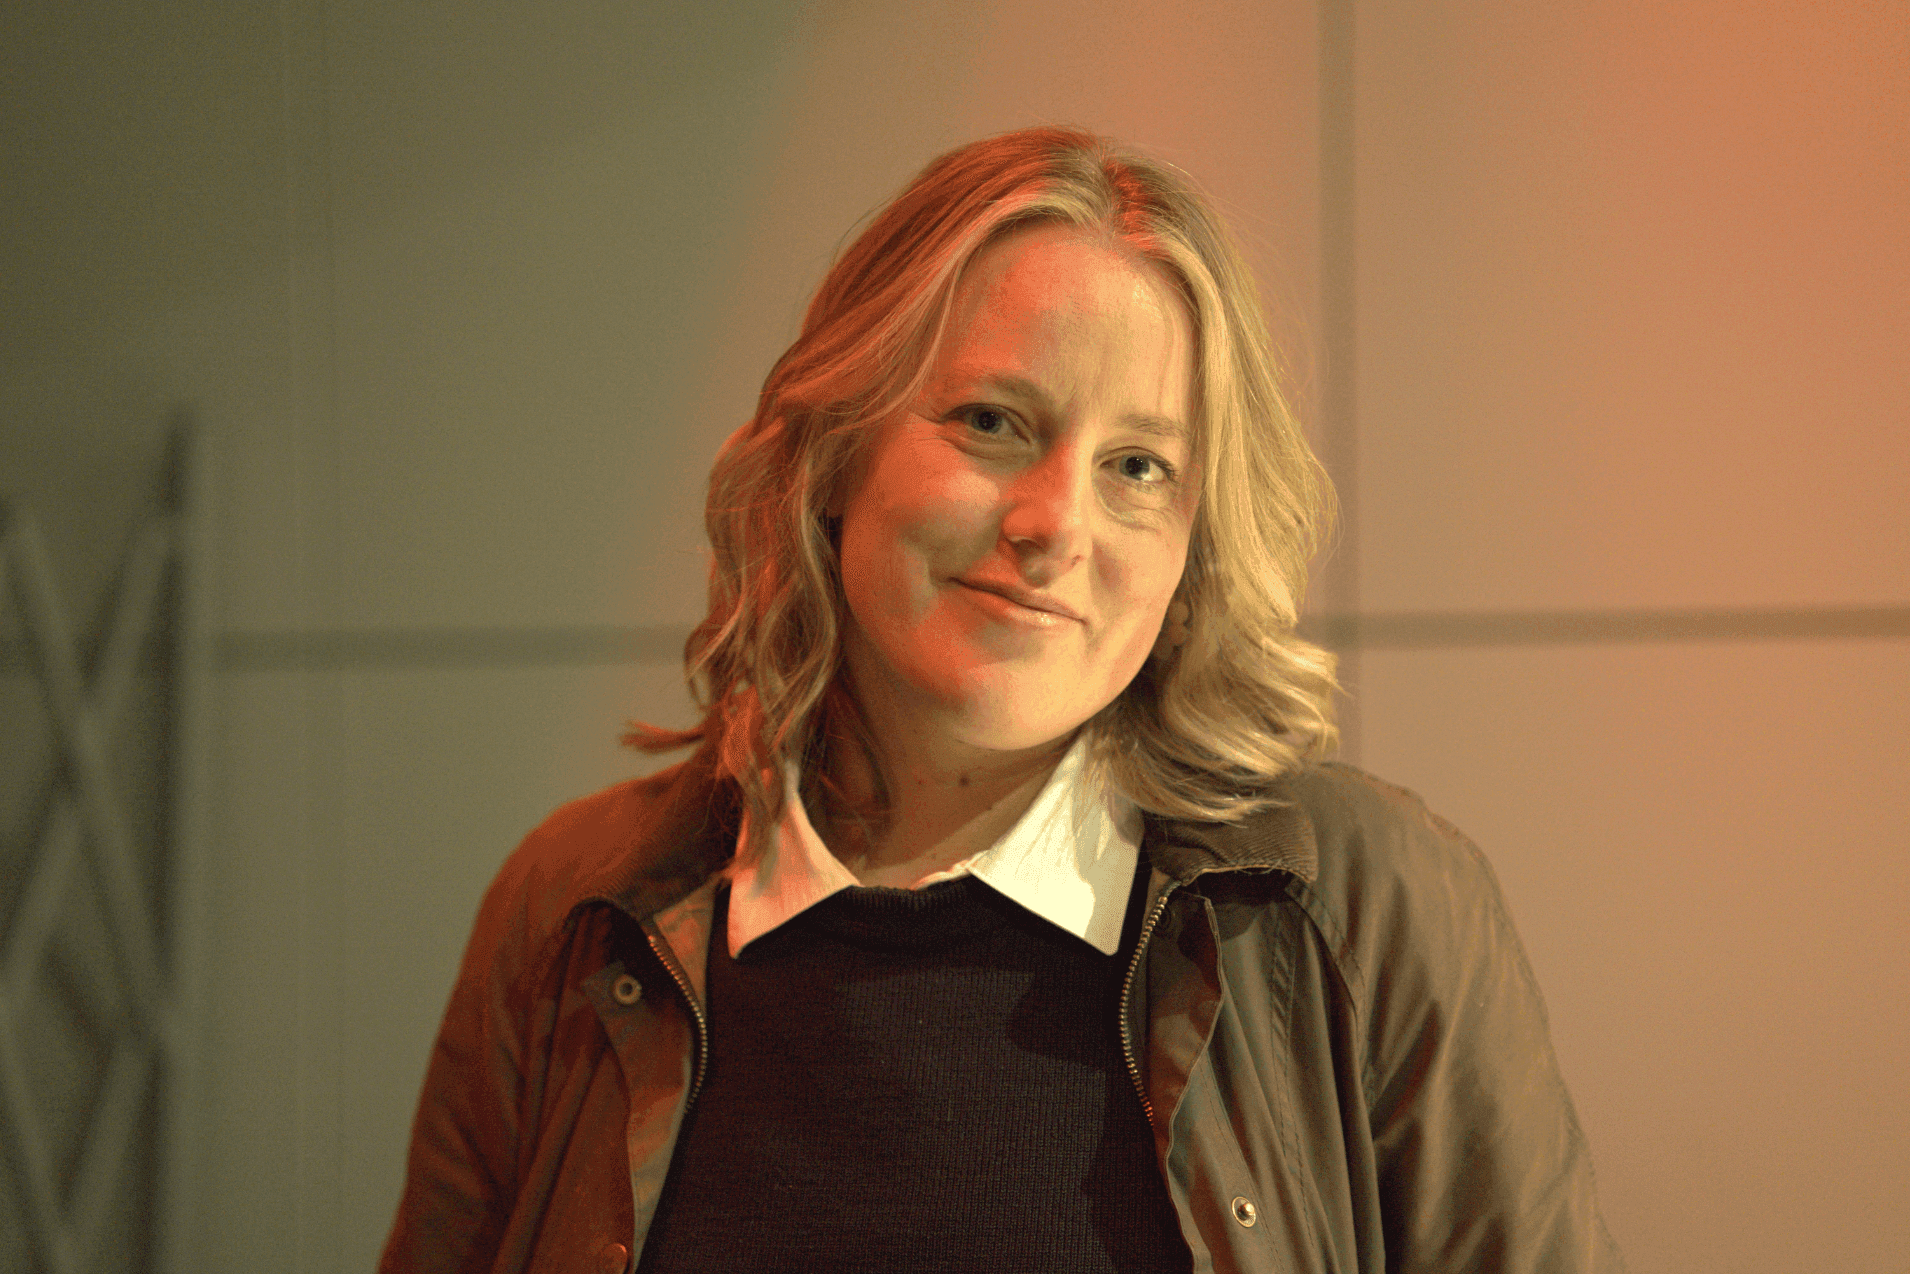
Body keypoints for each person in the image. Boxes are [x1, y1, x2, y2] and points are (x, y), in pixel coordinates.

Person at [380, 126, 1627, 1274]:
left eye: (1136, 465)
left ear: (1196, 532)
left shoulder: (1368, 908)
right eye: (991, 421)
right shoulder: (573, 903)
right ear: (834, 456)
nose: (1053, 525)